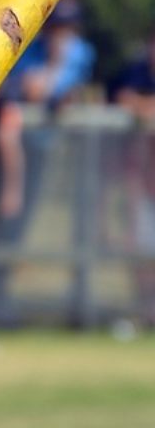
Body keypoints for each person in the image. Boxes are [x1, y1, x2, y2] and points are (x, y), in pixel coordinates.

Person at [0, 0, 95, 328]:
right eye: (56, 27)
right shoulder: (33, 52)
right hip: (21, 148)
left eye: (67, 27)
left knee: (40, 223)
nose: (61, 34)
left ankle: (66, 305)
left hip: (56, 151)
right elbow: (29, 91)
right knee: (8, 223)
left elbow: (73, 92)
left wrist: (60, 80)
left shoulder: (81, 53)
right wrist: (53, 70)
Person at [113, 32, 155, 326]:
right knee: (141, 251)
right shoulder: (136, 72)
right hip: (142, 182)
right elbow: (122, 98)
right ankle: (145, 310)